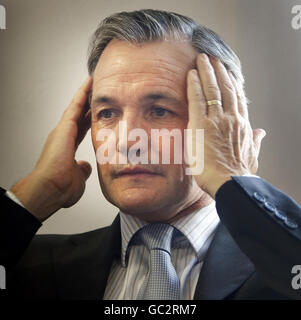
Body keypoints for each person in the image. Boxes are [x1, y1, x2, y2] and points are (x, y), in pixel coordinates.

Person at [0, 9, 300, 300]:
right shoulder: (25, 265)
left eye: (159, 110)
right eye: (107, 113)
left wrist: (235, 185)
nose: (127, 141)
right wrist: (31, 199)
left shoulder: (280, 267)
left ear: (225, 123)